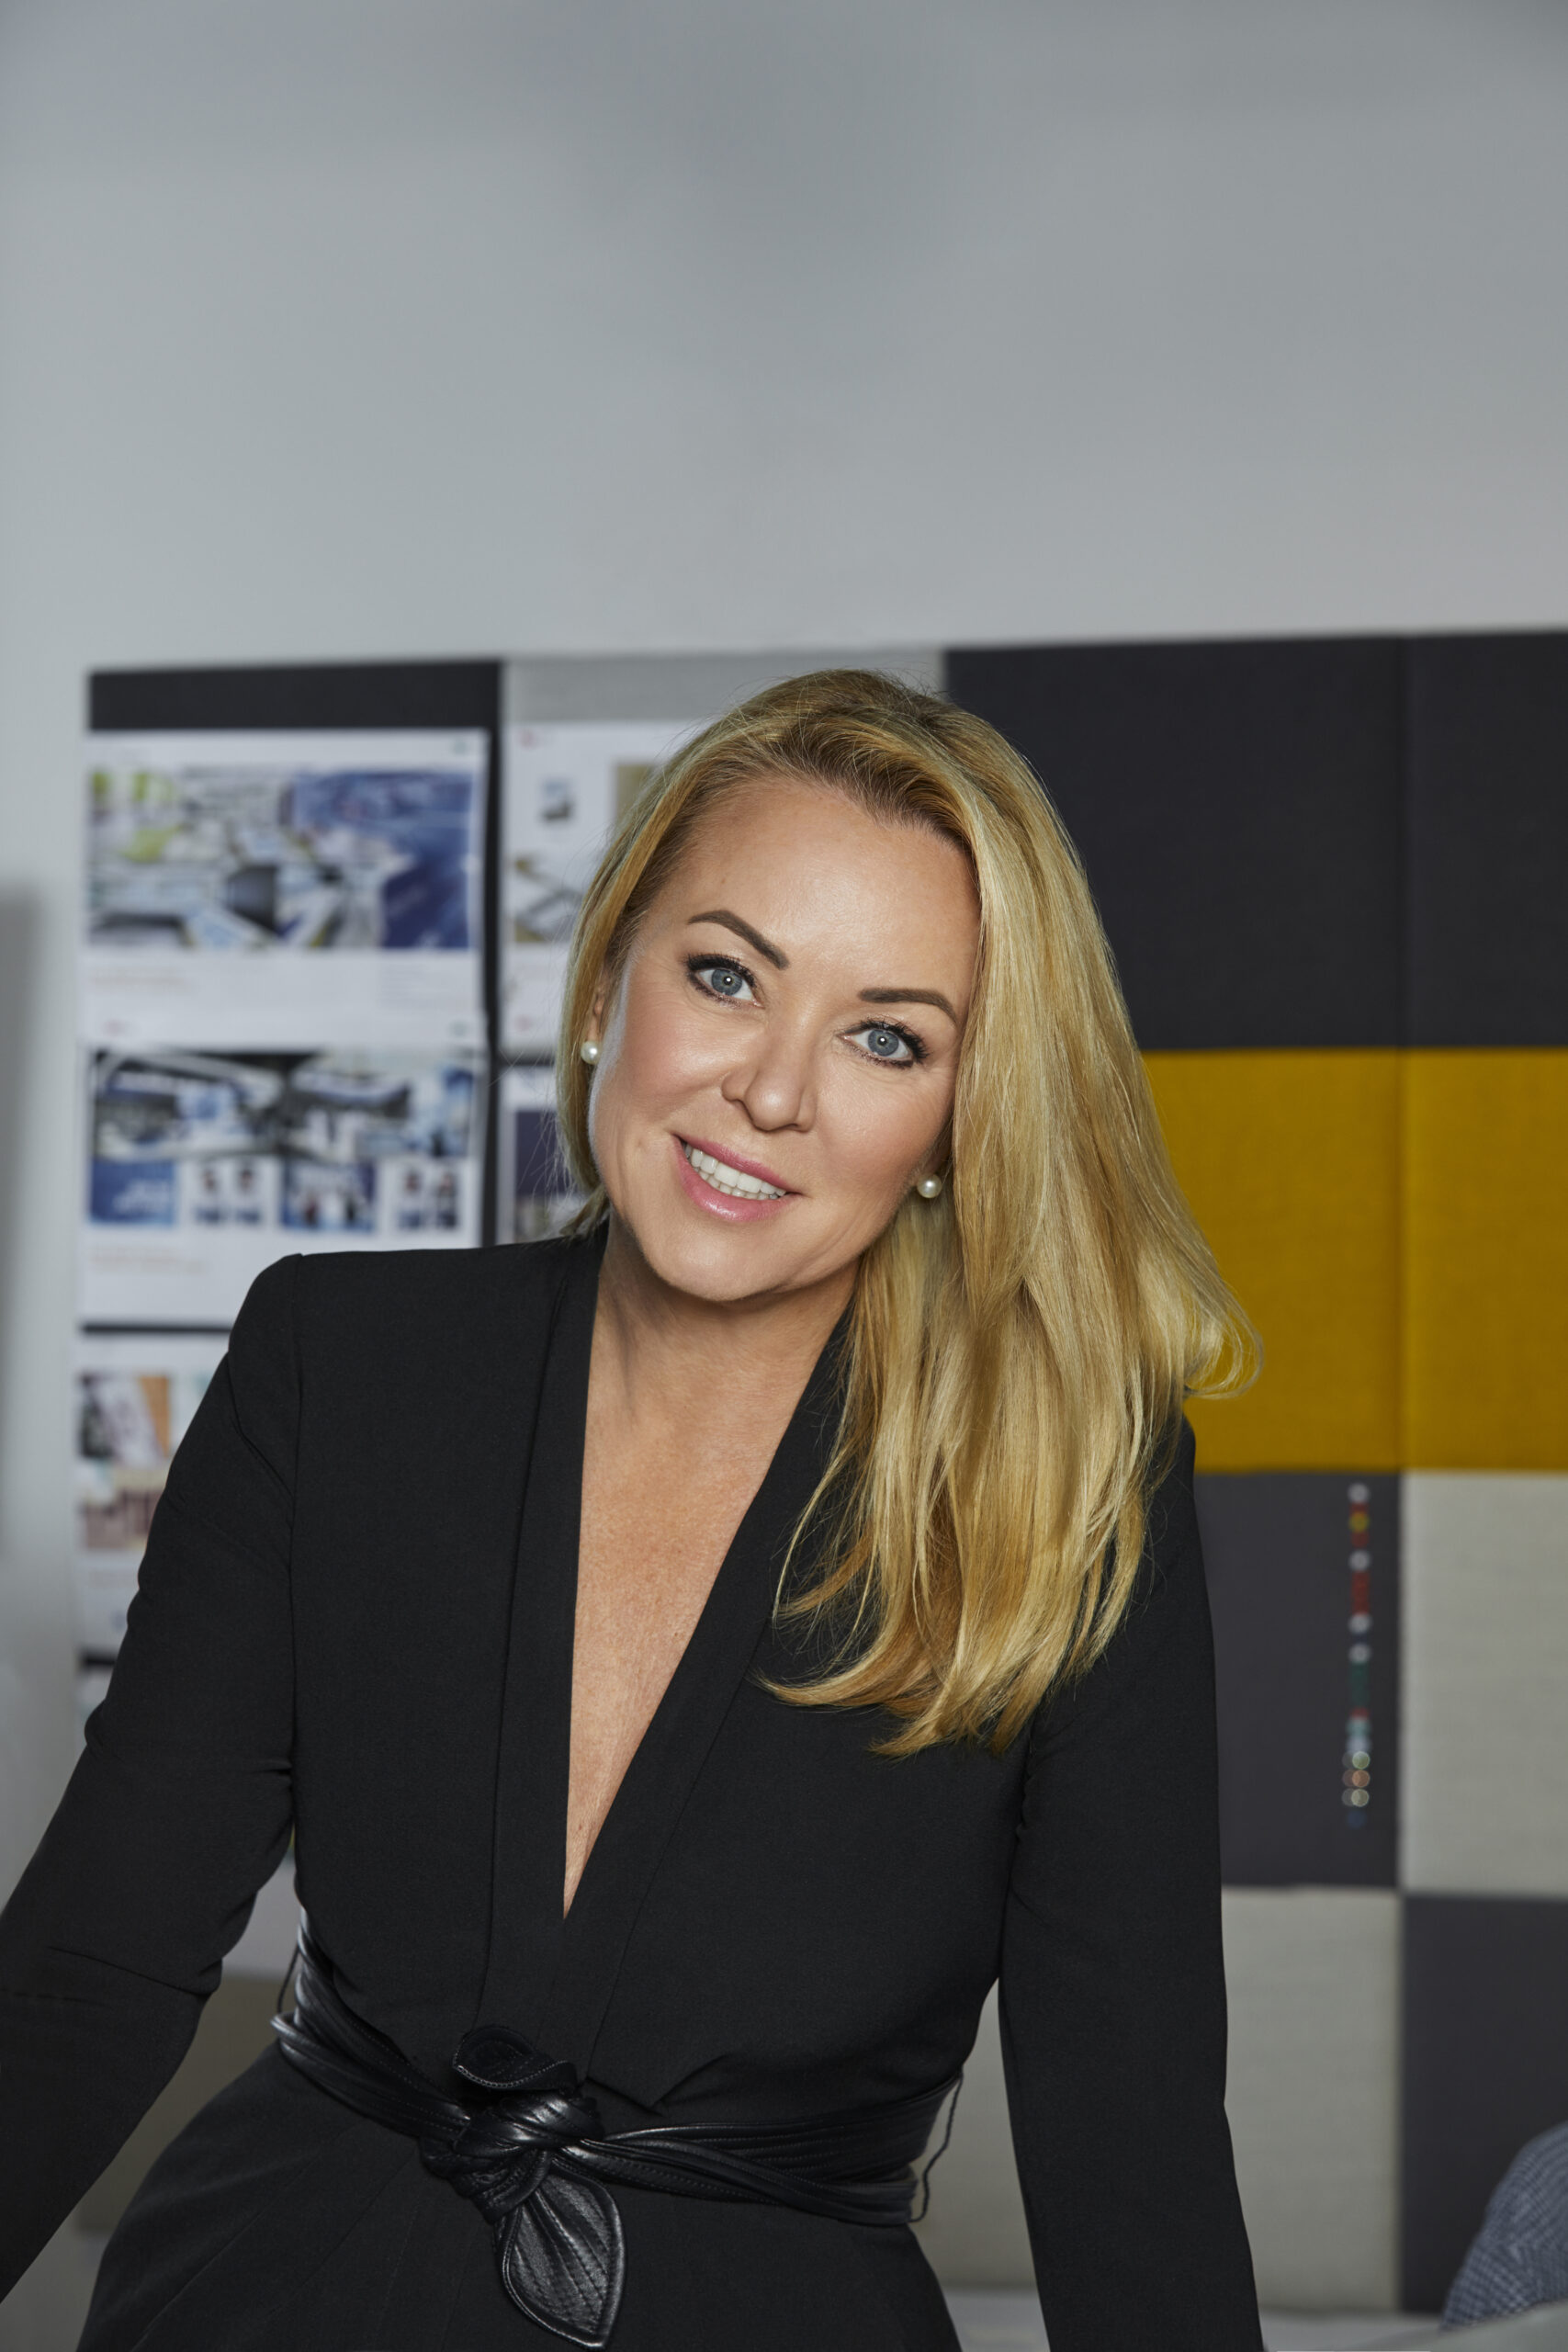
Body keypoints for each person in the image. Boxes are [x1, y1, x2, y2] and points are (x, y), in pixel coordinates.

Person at [0, 670, 1264, 2351]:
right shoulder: (338, 1364)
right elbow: (96, 1960)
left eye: (886, 1036)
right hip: (268, 2292)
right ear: (608, 981)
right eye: (727, 975)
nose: (773, 1091)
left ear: (957, 1122)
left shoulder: (1072, 1485)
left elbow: (1131, 2148)